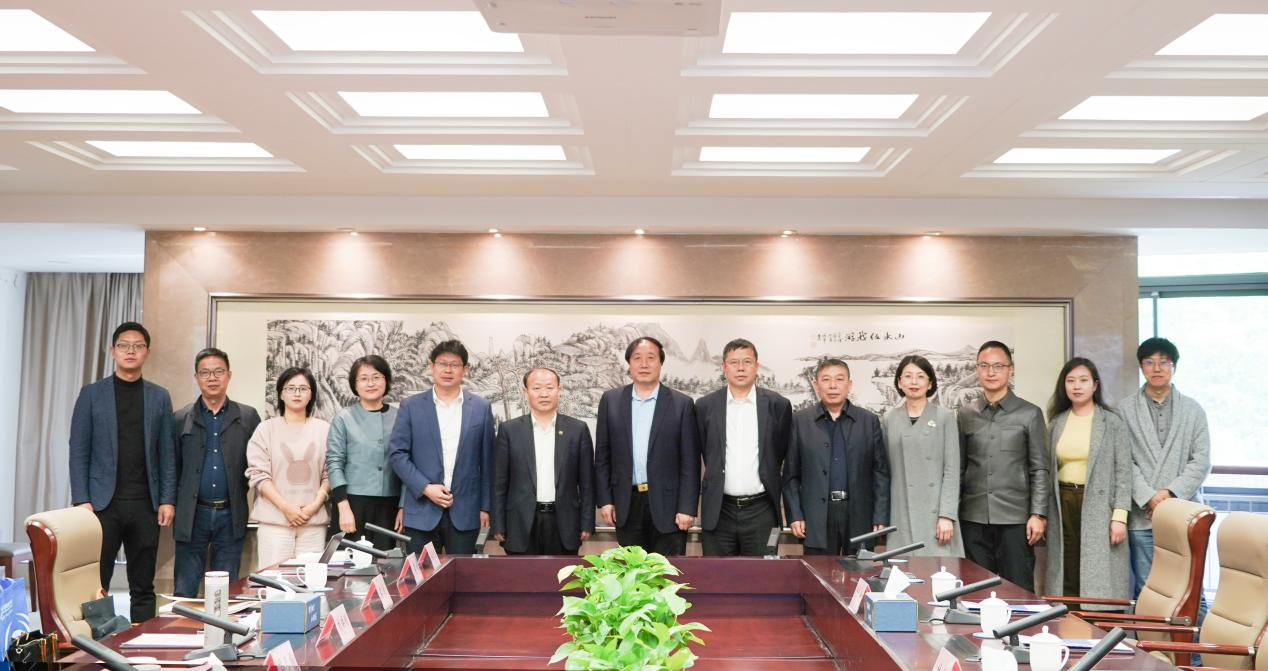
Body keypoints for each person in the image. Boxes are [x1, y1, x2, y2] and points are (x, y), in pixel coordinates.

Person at [68, 322, 175, 622]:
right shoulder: (91, 394)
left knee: (143, 584)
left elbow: (167, 452)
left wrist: (167, 499)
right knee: (96, 583)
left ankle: (143, 640)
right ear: (113, 351)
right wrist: (81, 500)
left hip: (145, 504)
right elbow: (78, 450)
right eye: (124, 345)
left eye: (138, 346)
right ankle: (99, 641)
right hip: (102, 505)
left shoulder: (159, 396)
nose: (131, 351)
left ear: (147, 352)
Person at [1119, 337, 1211, 598]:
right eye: (1150, 362)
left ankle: (1192, 629)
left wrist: (1169, 496)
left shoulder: (1193, 410)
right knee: (1148, 588)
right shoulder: (1125, 409)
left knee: (1191, 590)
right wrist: (1149, 496)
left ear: (1174, 367)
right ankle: (1150, 629)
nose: (1157, 368)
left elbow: (1201, 460)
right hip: (1143, 515)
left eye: (1164, 362)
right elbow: (1123, 461)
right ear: (1141, 367)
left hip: (1185, 513)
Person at [594, 337, 700, 556]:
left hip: (669, 507)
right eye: (637, 358)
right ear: (629, 364)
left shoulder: (681, 404)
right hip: (627, 503)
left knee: (667, 571)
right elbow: (603, 456)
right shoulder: (611, 401)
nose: (644, 364)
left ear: (660, 363)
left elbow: (690, 462)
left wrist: (687, 507)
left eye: (651, 358)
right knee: (631, 572)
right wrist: (605, 500)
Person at [958, 341, 1050, 591]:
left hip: (1015, 520)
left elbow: (1040, 468)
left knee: (1018, 591)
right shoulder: (966, 414)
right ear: (976, 369)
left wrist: (1038, 514)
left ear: (1011, 369)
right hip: (973, 517)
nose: (991, 372)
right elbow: (960, 467)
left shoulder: (1030, 413)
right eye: (984, 366)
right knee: (975, 591)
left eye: (998, 366)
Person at [388, 340, 494, 555]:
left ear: (465, 369)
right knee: (422, 573)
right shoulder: (411, 406)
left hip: (466, 512)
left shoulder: (481, 408)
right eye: (442, 364)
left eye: (454, 365)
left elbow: (488, 461)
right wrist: (425, 488)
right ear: (431, 366)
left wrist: (485, 507)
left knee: (464, 573)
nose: (448, 370)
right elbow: (397, 454)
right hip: (421, 510)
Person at [171, 348, 261, 597]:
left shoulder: (247, 417)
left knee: (225, 591)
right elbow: (171, 466)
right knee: (184, 588)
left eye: (218, 372)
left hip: (230, 514)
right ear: (196, 377)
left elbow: (259, 464)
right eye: (205, 373)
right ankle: (182, 623)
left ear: (229, 375)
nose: (212, 378)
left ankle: (221, 625)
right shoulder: (180, 418)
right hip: (193, 514)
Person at [695, 339, 792, 556]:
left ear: (756, 366)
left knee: (762, 573)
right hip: (719, 509)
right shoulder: (705, 406)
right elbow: (704, 451)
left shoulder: (778, 405)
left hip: (762, 510)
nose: (740, 368)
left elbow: (780, 453)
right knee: (717, 574)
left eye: (747, 362)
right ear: (724, 367)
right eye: (734, 362)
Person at [1043, 357, 1130, 600]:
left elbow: (1124, 472)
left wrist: (1120, 516)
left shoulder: (1111, 422)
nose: (1077, 386)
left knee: (1096, 569)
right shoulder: (1057, 422)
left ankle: (1097, 619)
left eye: (1083, 380)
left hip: (1099, 504)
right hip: (1062, 501)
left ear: (1095, 385)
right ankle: (1067, 616)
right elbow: (1047, 470)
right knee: (1066, 564)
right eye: (1070, 381)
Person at [784, 358, 890, 556]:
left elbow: (880, 474)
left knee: (860, 572)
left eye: (839, 379)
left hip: (860, 515)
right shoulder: (800, 421)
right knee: (817, 573)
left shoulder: (868, 421)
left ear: (849, 384)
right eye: (826, 379)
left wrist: (880, 516)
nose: (832, 385)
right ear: (816, 385)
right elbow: (790, 475)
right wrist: (795, 514)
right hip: (816, 516)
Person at [491, 367, 595, 555]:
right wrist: (498, 523)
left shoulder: (577, 429)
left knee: (562, 574)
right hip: (520, 523)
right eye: (537, 388)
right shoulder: (509, 430)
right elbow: (499, 483)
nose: (544, 394)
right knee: (521, 574)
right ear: (525, 392)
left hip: (564, 523)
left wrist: (587, 522)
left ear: (559, 390)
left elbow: (587, 482)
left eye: (550, 387)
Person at [245, 367, 331, 568]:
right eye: (290, 388)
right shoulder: (266, 429)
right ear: (281, 394)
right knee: (273, 582)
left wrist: (313, 506)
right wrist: (286, 508)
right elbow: (258, 475)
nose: (297, 393)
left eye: (303, 388)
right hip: (275, 525)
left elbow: (330, 473)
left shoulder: (324, 429)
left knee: (311, 582)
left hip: (313, 525)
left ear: (311, 394)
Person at [880, 355, 963, 557]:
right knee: (903, 570)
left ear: (930, 383)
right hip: (900, 511)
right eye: (908, 376)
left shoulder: (944, 417)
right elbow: (883, 471)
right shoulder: (889, 418)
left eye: (920, 376)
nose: (914, 382)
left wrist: (947, 515)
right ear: (899, 382)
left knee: (938, 571)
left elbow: (952, 470)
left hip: (935, 514)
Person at [327, 355, 403, 551]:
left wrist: (403, 506)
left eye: (376, 377)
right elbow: (334, 462)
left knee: (385, 562)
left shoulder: (400, 417)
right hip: (352, 503)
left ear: (386, 380)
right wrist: (342, 507)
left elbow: (407, 462)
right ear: (355, 384)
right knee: (348, 562)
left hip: (389, 504)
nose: (370, 383)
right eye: (363, 378)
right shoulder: (343, 418)